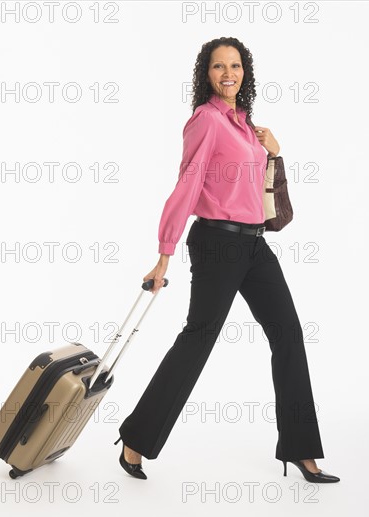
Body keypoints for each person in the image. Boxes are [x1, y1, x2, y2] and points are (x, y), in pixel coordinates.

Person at [114, 36, 340, 483]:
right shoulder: (206, 121)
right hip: (217, 242)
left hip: (254, 245)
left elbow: (258, 190)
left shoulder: (243, 122)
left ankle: (300, 450)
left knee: (289, 336)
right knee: (199, 340)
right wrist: (164, 254)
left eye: (235, 66)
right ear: (206, 74)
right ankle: (136, 441)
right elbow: (187, 185)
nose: (228, 74)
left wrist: (274, 149)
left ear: (245, 72)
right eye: (219, 67)